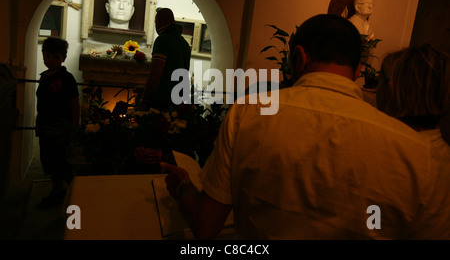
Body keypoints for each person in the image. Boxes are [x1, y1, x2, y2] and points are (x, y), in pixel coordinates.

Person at [161, 14, 443, 239]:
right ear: (359, 70)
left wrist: (183, 186)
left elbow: (206, 225)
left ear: (299, 57)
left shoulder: (248, 112)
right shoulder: (418, 152)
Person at [376, 44, 450, 238]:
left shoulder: (396, 158)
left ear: (391, 89)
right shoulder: (440, 154)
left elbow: (372, 226)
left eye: (379, 80)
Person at [36, 37, 80, 207]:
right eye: (47, 56)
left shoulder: (67, 78)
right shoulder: (44, 76)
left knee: (60, 160)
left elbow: (74, 102)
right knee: (49, 160)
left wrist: (74, 126)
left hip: (60, 127)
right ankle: (57, 191)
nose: (51, 60)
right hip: (45, 124)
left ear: (63, 58)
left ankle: (77, 190)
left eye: (55, 57)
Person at [142, 8, 191, 110]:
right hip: (178, 100)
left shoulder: (162, 40)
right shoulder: (184, 43)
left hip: (163, 101)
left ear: (159, 22)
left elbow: (156, 73)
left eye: (155, 22)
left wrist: (146, 99)